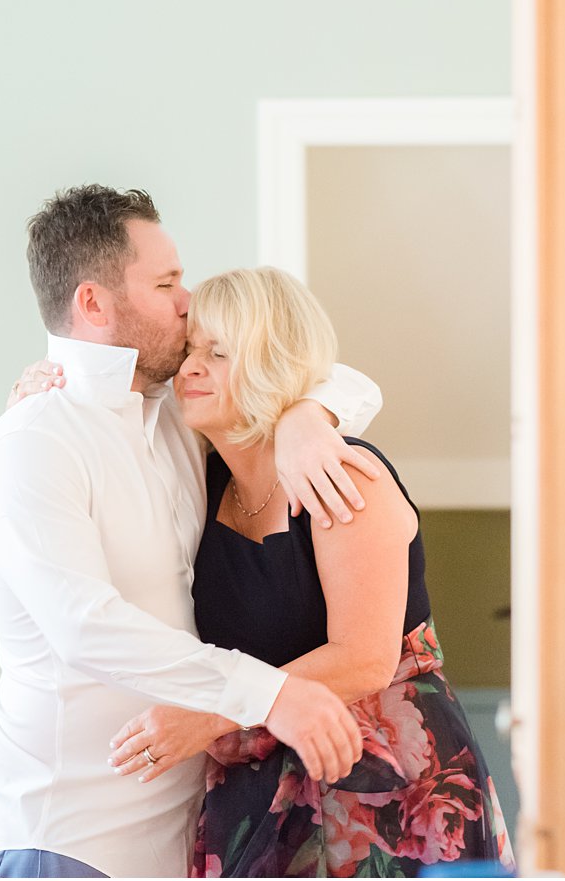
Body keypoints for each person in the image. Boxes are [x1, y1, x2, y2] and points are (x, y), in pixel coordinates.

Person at [0, 185, 382, 878]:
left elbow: (323, 371)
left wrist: (309, 415)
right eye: (165, 284)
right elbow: (85, 626)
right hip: (63, 838)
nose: (187, 301)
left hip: (176, 842)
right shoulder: (33, 441)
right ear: (94, 303)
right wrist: (271, 694)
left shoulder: (174, 420)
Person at [95, 266, 518, 877]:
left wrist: (207, 716)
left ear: (272, 364)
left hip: (384, 786)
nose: (190, 369)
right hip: (257, 790)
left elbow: (364, 658)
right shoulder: (200, 484)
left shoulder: (343, 475)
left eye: (218, 353)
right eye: (190, 351)